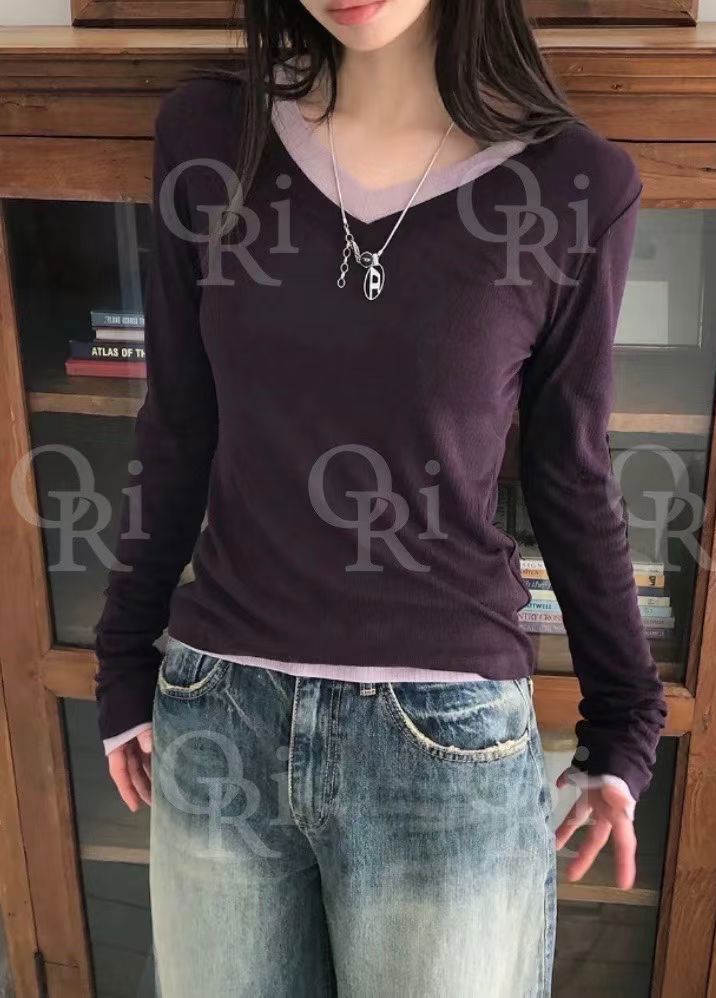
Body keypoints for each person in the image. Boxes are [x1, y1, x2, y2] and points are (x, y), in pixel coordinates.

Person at [94, 1, 667, 994]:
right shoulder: (209, 138)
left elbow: (568, 473)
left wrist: (625, 724)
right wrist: (121, 660)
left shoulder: (574, 187)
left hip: (442, 740)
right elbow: (179, 419)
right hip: (217, 714)